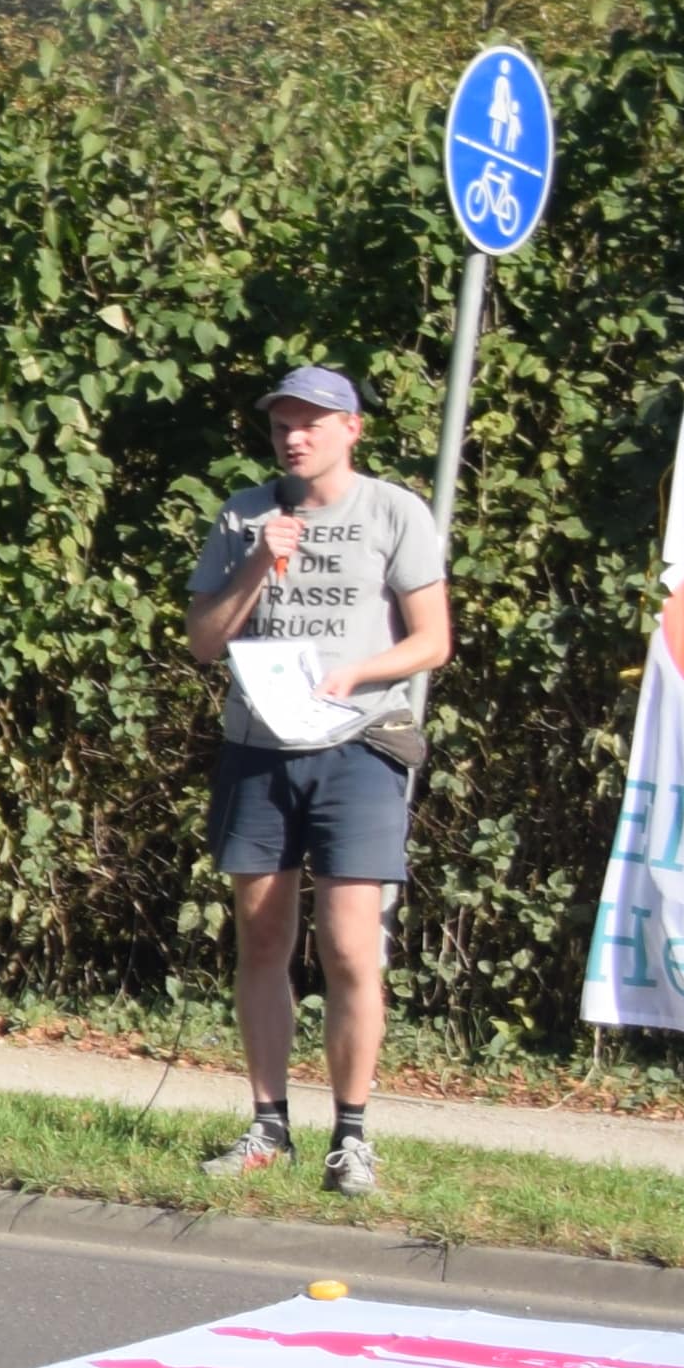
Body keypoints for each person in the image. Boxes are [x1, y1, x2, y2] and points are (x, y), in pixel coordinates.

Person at [185, 362, 450, 1196]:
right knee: (263, 940)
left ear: (351, 429)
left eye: (311, 424)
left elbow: (433, 640)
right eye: (281, 425)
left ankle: (352, 1137)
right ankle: (268, 1128)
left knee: (348, 946)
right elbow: (203, 641)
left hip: (358, 747)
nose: (293, 438)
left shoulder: (394, 511)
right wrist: (255, 566)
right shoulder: (244, 513)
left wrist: (358, 673)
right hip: (258, 751)